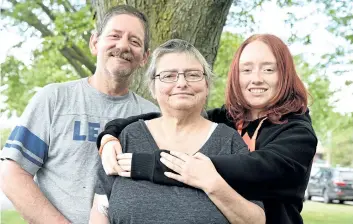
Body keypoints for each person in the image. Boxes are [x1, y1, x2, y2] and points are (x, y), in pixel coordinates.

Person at [97, 34, 318, 224]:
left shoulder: (298, 133)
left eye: (269, 69)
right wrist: (110, 135)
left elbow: (256, 168)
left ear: (285, 76)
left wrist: (149, 164)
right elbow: (170, 117)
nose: (256, 79)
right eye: (246, 70)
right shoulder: (229, 119)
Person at [0, 5, 159, 224]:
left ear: (144, 57)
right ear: (95, 43)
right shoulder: (54, 99)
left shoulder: (152, 116)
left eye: (135, 41)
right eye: (114, 36)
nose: (123, 45)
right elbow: (12, 174)